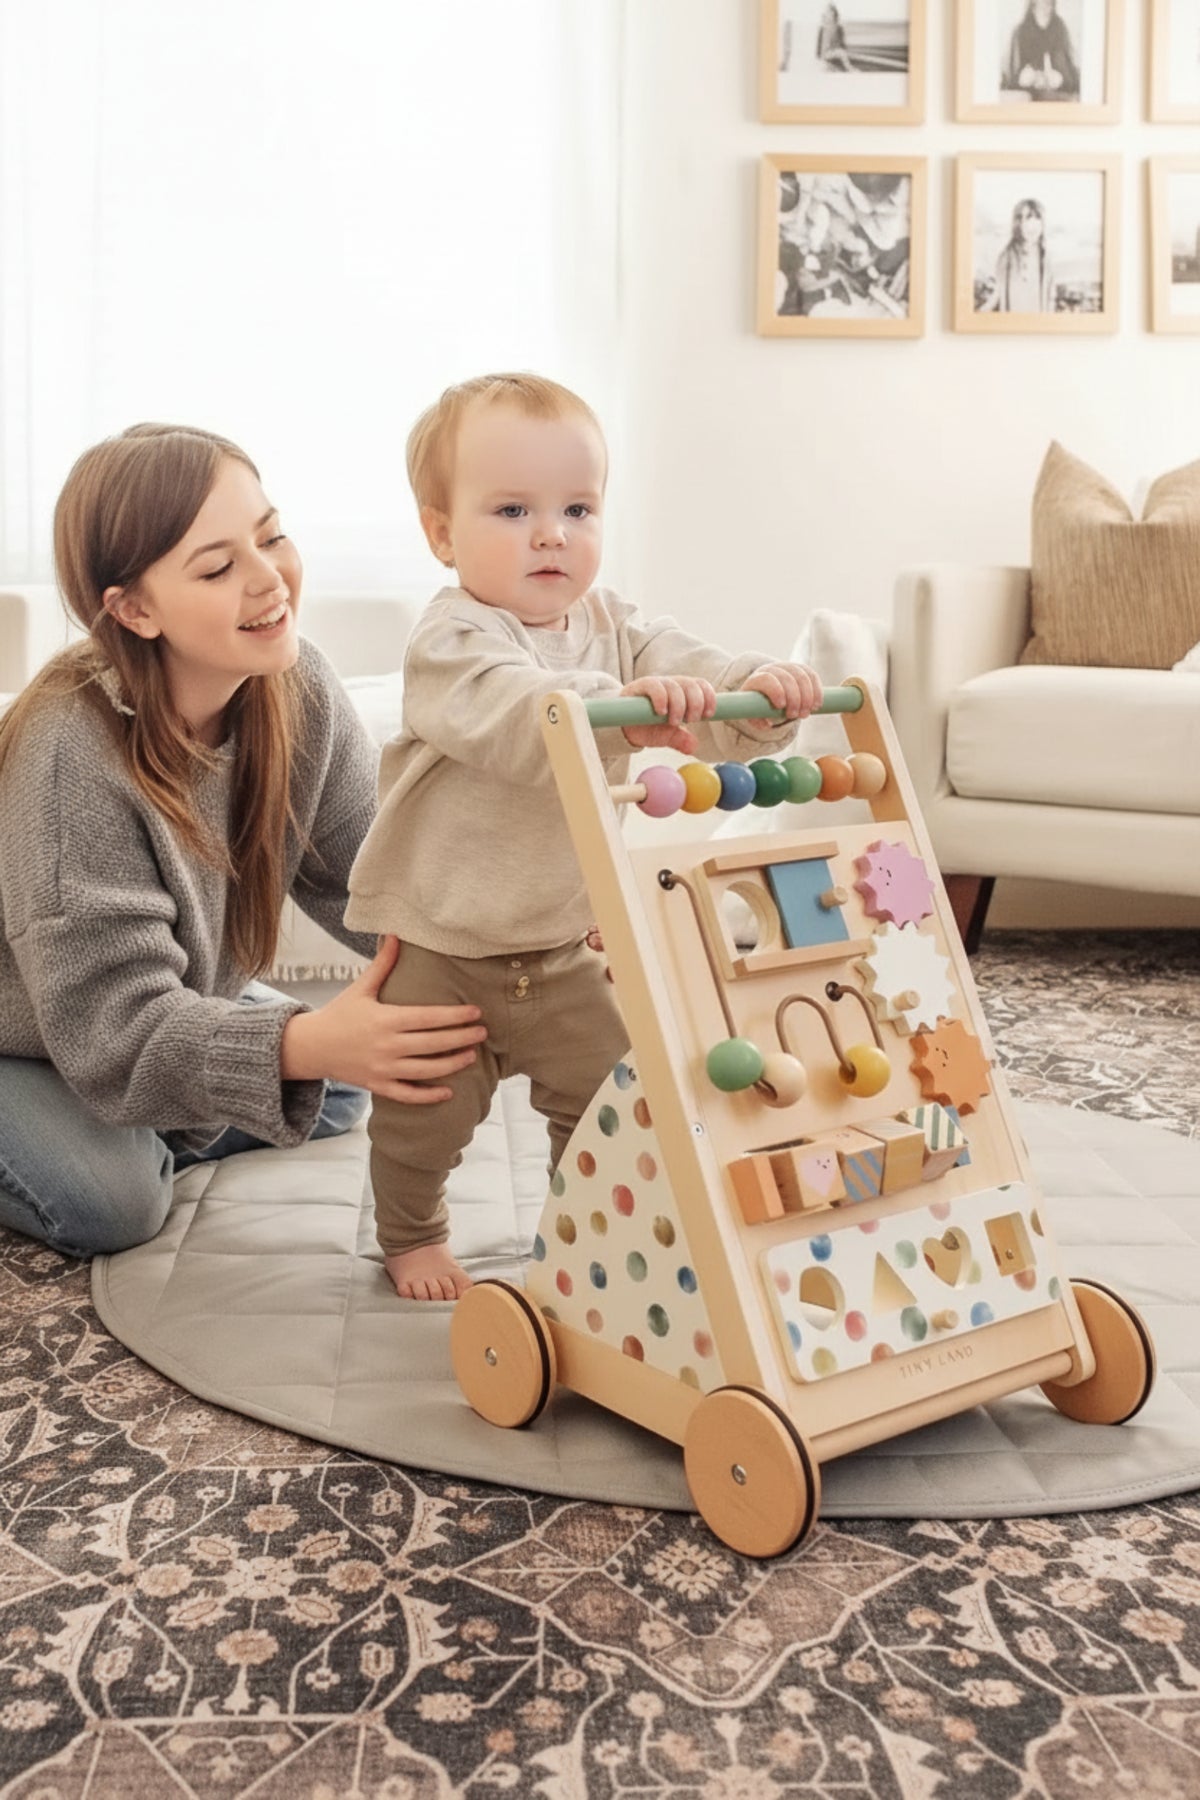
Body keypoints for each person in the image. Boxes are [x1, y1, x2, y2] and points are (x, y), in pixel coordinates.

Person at [346, 372, 823, 1302]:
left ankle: (578, 1234)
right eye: (512, 509)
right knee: (422, 1119)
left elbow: (693, 677)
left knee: (611, 1104)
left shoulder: (618, 627)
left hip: (564, 946)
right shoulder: (450, 639)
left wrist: (759, 692)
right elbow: (520, 717)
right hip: (445, 948)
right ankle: (411, 1235)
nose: (551, 533)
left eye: (577, 507)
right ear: (441, 533)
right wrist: (619, 711)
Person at [0, 425, 489, 1260]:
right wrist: (297, 1044)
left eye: (271, 536)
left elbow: (375, 880)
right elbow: (112, 1025)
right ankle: (130, 1114)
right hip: (35, 1031)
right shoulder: (66, 754)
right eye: (219, 567)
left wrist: (510, 952)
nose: (270, 580)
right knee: (112, 1204)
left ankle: (164, 1096)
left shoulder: (294, 688)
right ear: (134, 609)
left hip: (146, 1006)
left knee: (337, 1095)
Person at [977, 198, 1056, 313]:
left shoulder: (1045, 257)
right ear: (1018, 224)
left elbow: (1051, 297)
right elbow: (998, 294)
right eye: (1027, 220)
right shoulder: (1006, 256)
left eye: (1037, 220)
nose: (1032, 226)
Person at [1003, 0, 1080, 101]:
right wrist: (1022, 79)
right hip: (1026, 99)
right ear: (1032, 5)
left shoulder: (1060, 29)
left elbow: (1071, 77)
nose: (1045, 7)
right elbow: (1010, 77)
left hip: (1057, 97)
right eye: (1041, 4)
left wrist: (1060, 79)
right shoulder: (1020, 32)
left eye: (1048, 4)